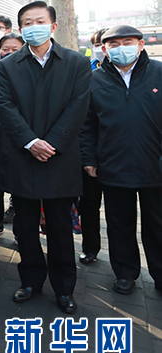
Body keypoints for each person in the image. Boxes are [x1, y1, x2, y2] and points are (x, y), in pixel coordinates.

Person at [0, 0, 90, 313]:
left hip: (59, 158)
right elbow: (5, 106)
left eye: (40, 21)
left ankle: (64, 288)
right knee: (25, 226)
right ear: (20, 29)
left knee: (60, 228)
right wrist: (31, 141)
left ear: (53, 26)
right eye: (27, 23)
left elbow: (78, 107)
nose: (33, 27)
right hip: (22, 157)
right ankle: (31, 281)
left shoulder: (76, 63)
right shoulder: (7, 66)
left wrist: (51, 143)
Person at [80, 25, 162, 295]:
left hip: (154, 164)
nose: (120, 48)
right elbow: (87, 125)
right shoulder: (94, 80)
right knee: (119, 224)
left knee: (157, 224)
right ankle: (125, 273)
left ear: (140, 45)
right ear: (104, 49)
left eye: (127, 42)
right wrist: (89, 159)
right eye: (113, 45)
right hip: (113, 164)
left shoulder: (158, 73)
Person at [0, 32, 25, 236]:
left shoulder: (29, 72)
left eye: (15, 49)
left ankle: (21, 231)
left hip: (20, 138)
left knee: (19, 189)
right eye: (5, 49)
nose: (9, 53)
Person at [78, 28, 106, 264]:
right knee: (89, 205)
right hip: (91, 153)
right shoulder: (86, 71)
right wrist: (87, 157)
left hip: (123, 155)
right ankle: (90, 247)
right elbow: (84, 121)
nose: (100, 49)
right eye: (98, 44)